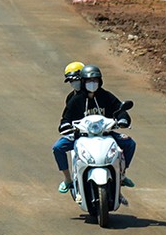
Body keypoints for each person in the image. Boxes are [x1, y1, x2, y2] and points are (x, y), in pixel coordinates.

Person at [54, 62, 135, 192]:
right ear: (83, 81)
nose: (92, 83)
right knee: (58, 147)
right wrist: (65, 125)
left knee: (130, 143)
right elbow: (66, 117)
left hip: (105, 133)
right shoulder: (75, 99)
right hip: (81, 135)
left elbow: (119, 109)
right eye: (88, 81)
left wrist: (123, 119)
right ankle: (68, 179)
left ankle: (121, 173)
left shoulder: (106, 96)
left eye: (95, 80)